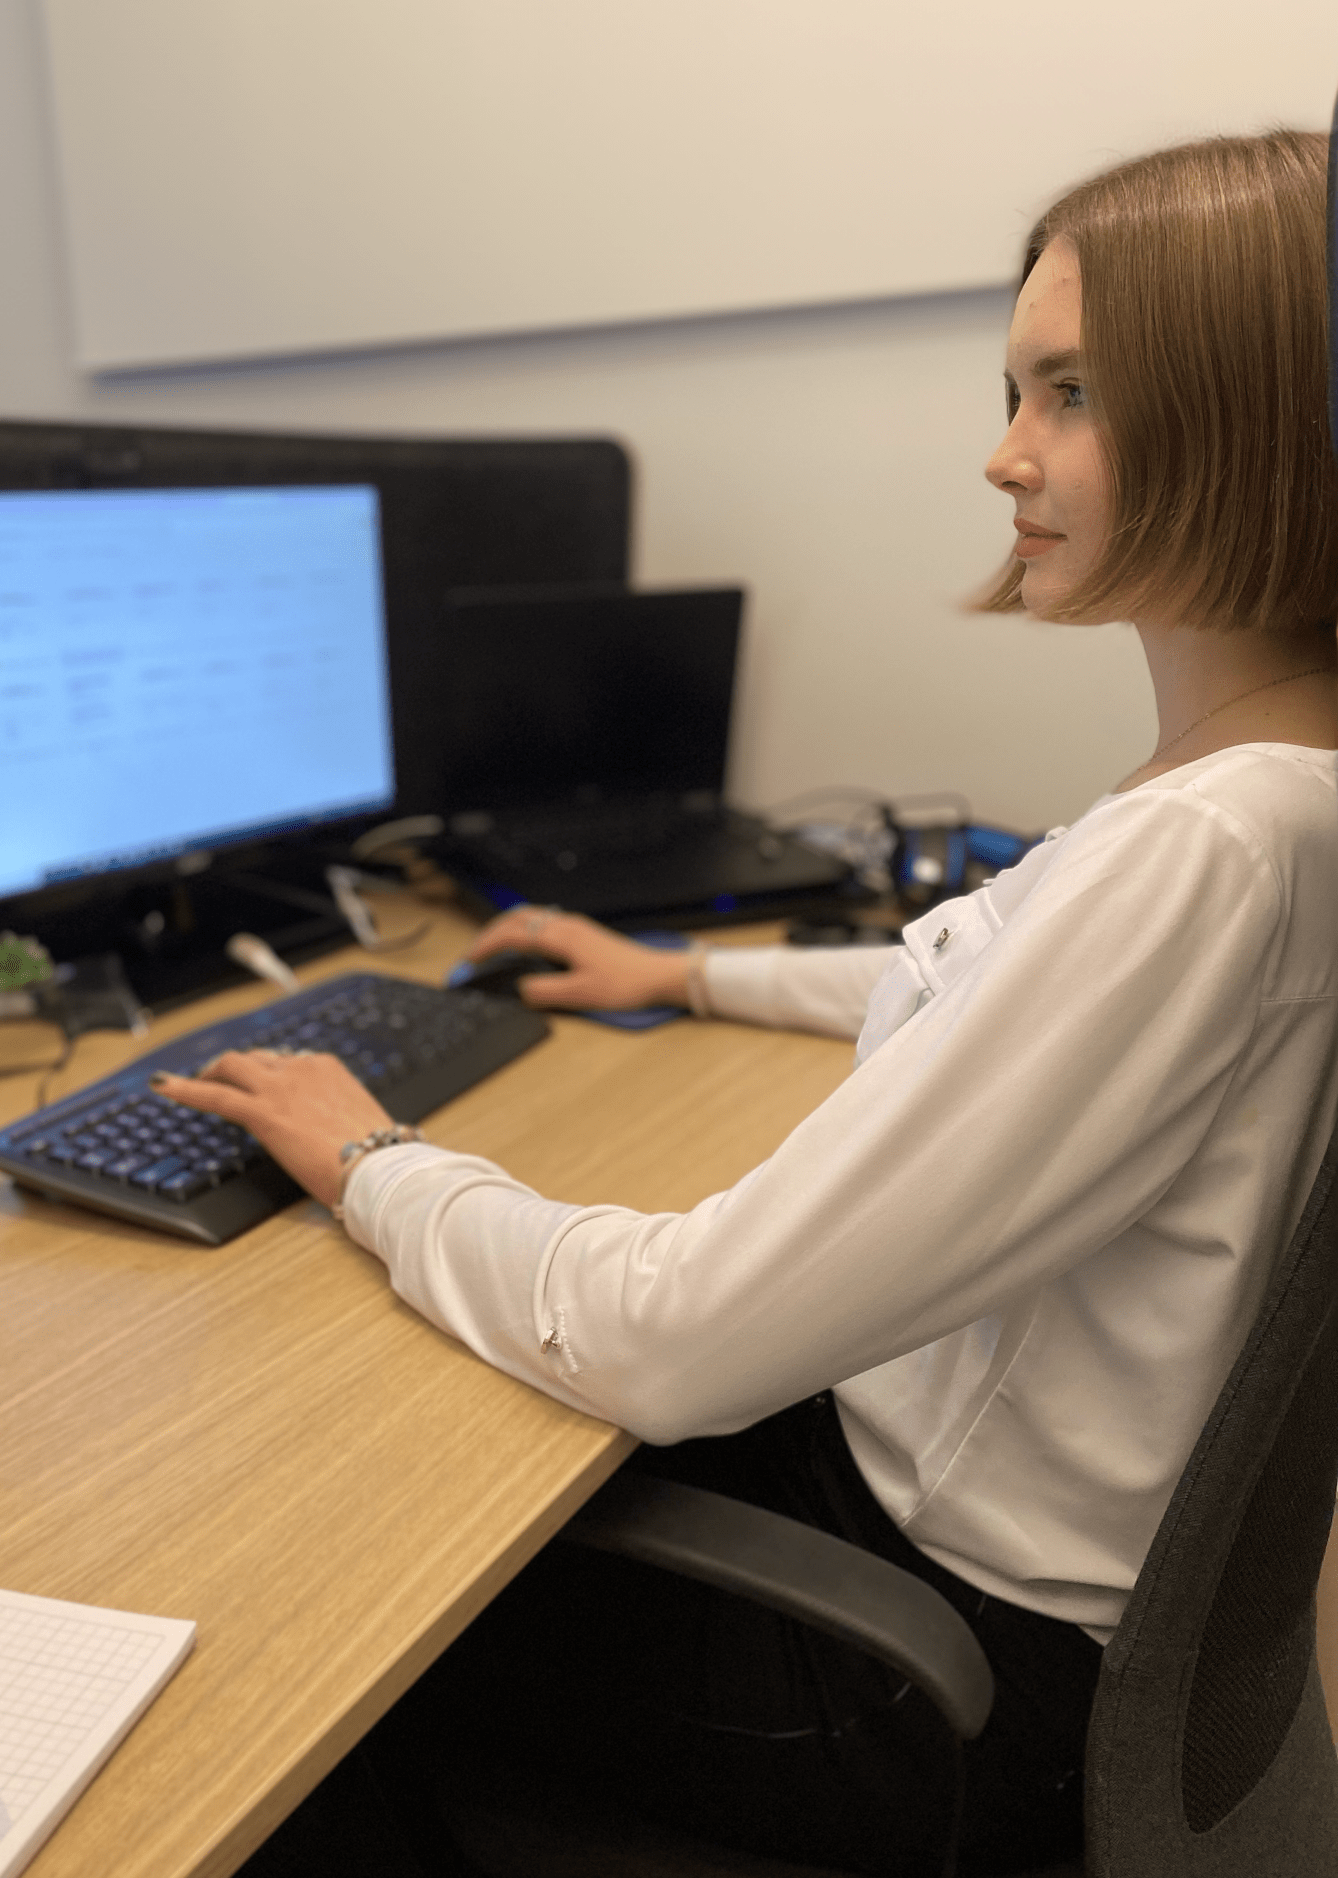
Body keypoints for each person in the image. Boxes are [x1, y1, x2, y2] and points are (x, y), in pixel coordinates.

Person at [158, 131, 1338, 1875]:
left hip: (928, 1685)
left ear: (1255, 412)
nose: (1003, 453)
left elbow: (673, 1339)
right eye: (1015, 388)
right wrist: (684, 973)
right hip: (1024, 1587)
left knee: (302, 1607)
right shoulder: (1283, 786)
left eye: (1073, 394)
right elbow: (1022, 980)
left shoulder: (1209, 849)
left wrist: (371, 1161)